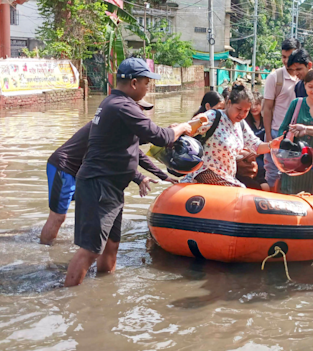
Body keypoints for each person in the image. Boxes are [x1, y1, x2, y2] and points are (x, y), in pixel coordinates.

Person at [64, 58, 192, 287]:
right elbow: (160, 137)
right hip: (99, 185)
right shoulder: (123, 106)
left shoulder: (113, 103)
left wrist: (159, 174)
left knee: (111, 245)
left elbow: (132, 150)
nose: (147, 88)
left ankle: (103, 293)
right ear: (134, 83)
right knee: (91, 250)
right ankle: (66, 300)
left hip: (111, 187)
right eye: (146, 83)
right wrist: (182, 127)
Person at [40, 100, 177, 245]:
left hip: (81, 173)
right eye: (139, 109)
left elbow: (138, 151)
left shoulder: (122, 126)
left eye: (142, 110)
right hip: (65, 167)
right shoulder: (112, 124)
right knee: (58, 217)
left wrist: (163, 175)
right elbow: (119, 159)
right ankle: (46, 255)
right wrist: (139, 177)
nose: (140, 114)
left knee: (88, 211)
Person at [185, 82, 278, 187]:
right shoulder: (214, 116)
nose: (242, 114)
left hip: (227, 177)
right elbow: (188, 129)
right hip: (205, 171)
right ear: (229, 103)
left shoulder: (241, 125)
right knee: (240, 189)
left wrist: (272, 145)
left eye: (246, 111)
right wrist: (190, 124)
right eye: (239, 109)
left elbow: (256, 145)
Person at [279, 68, 313, 195]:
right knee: (291, 197)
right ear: (304, 86)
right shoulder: (296, 103)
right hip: (295, 160)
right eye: (310, 86)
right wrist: (282, 149)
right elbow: (283, 129)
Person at [263, 38, 300, 190]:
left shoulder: (304, 78)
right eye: (283, 57)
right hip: (276, 132)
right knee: (273, 173)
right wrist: (269, 137)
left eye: (289, 56)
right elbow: (267, 108)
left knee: (294, 172)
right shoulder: (275, 77)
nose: (286, 61)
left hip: (297, 134)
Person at [242, 91, 267, 187]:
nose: (254, 108)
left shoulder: (267, 121)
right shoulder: (244, 122)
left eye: (257, 104)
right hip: (251, 156)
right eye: (252, 105)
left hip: (264, 153)